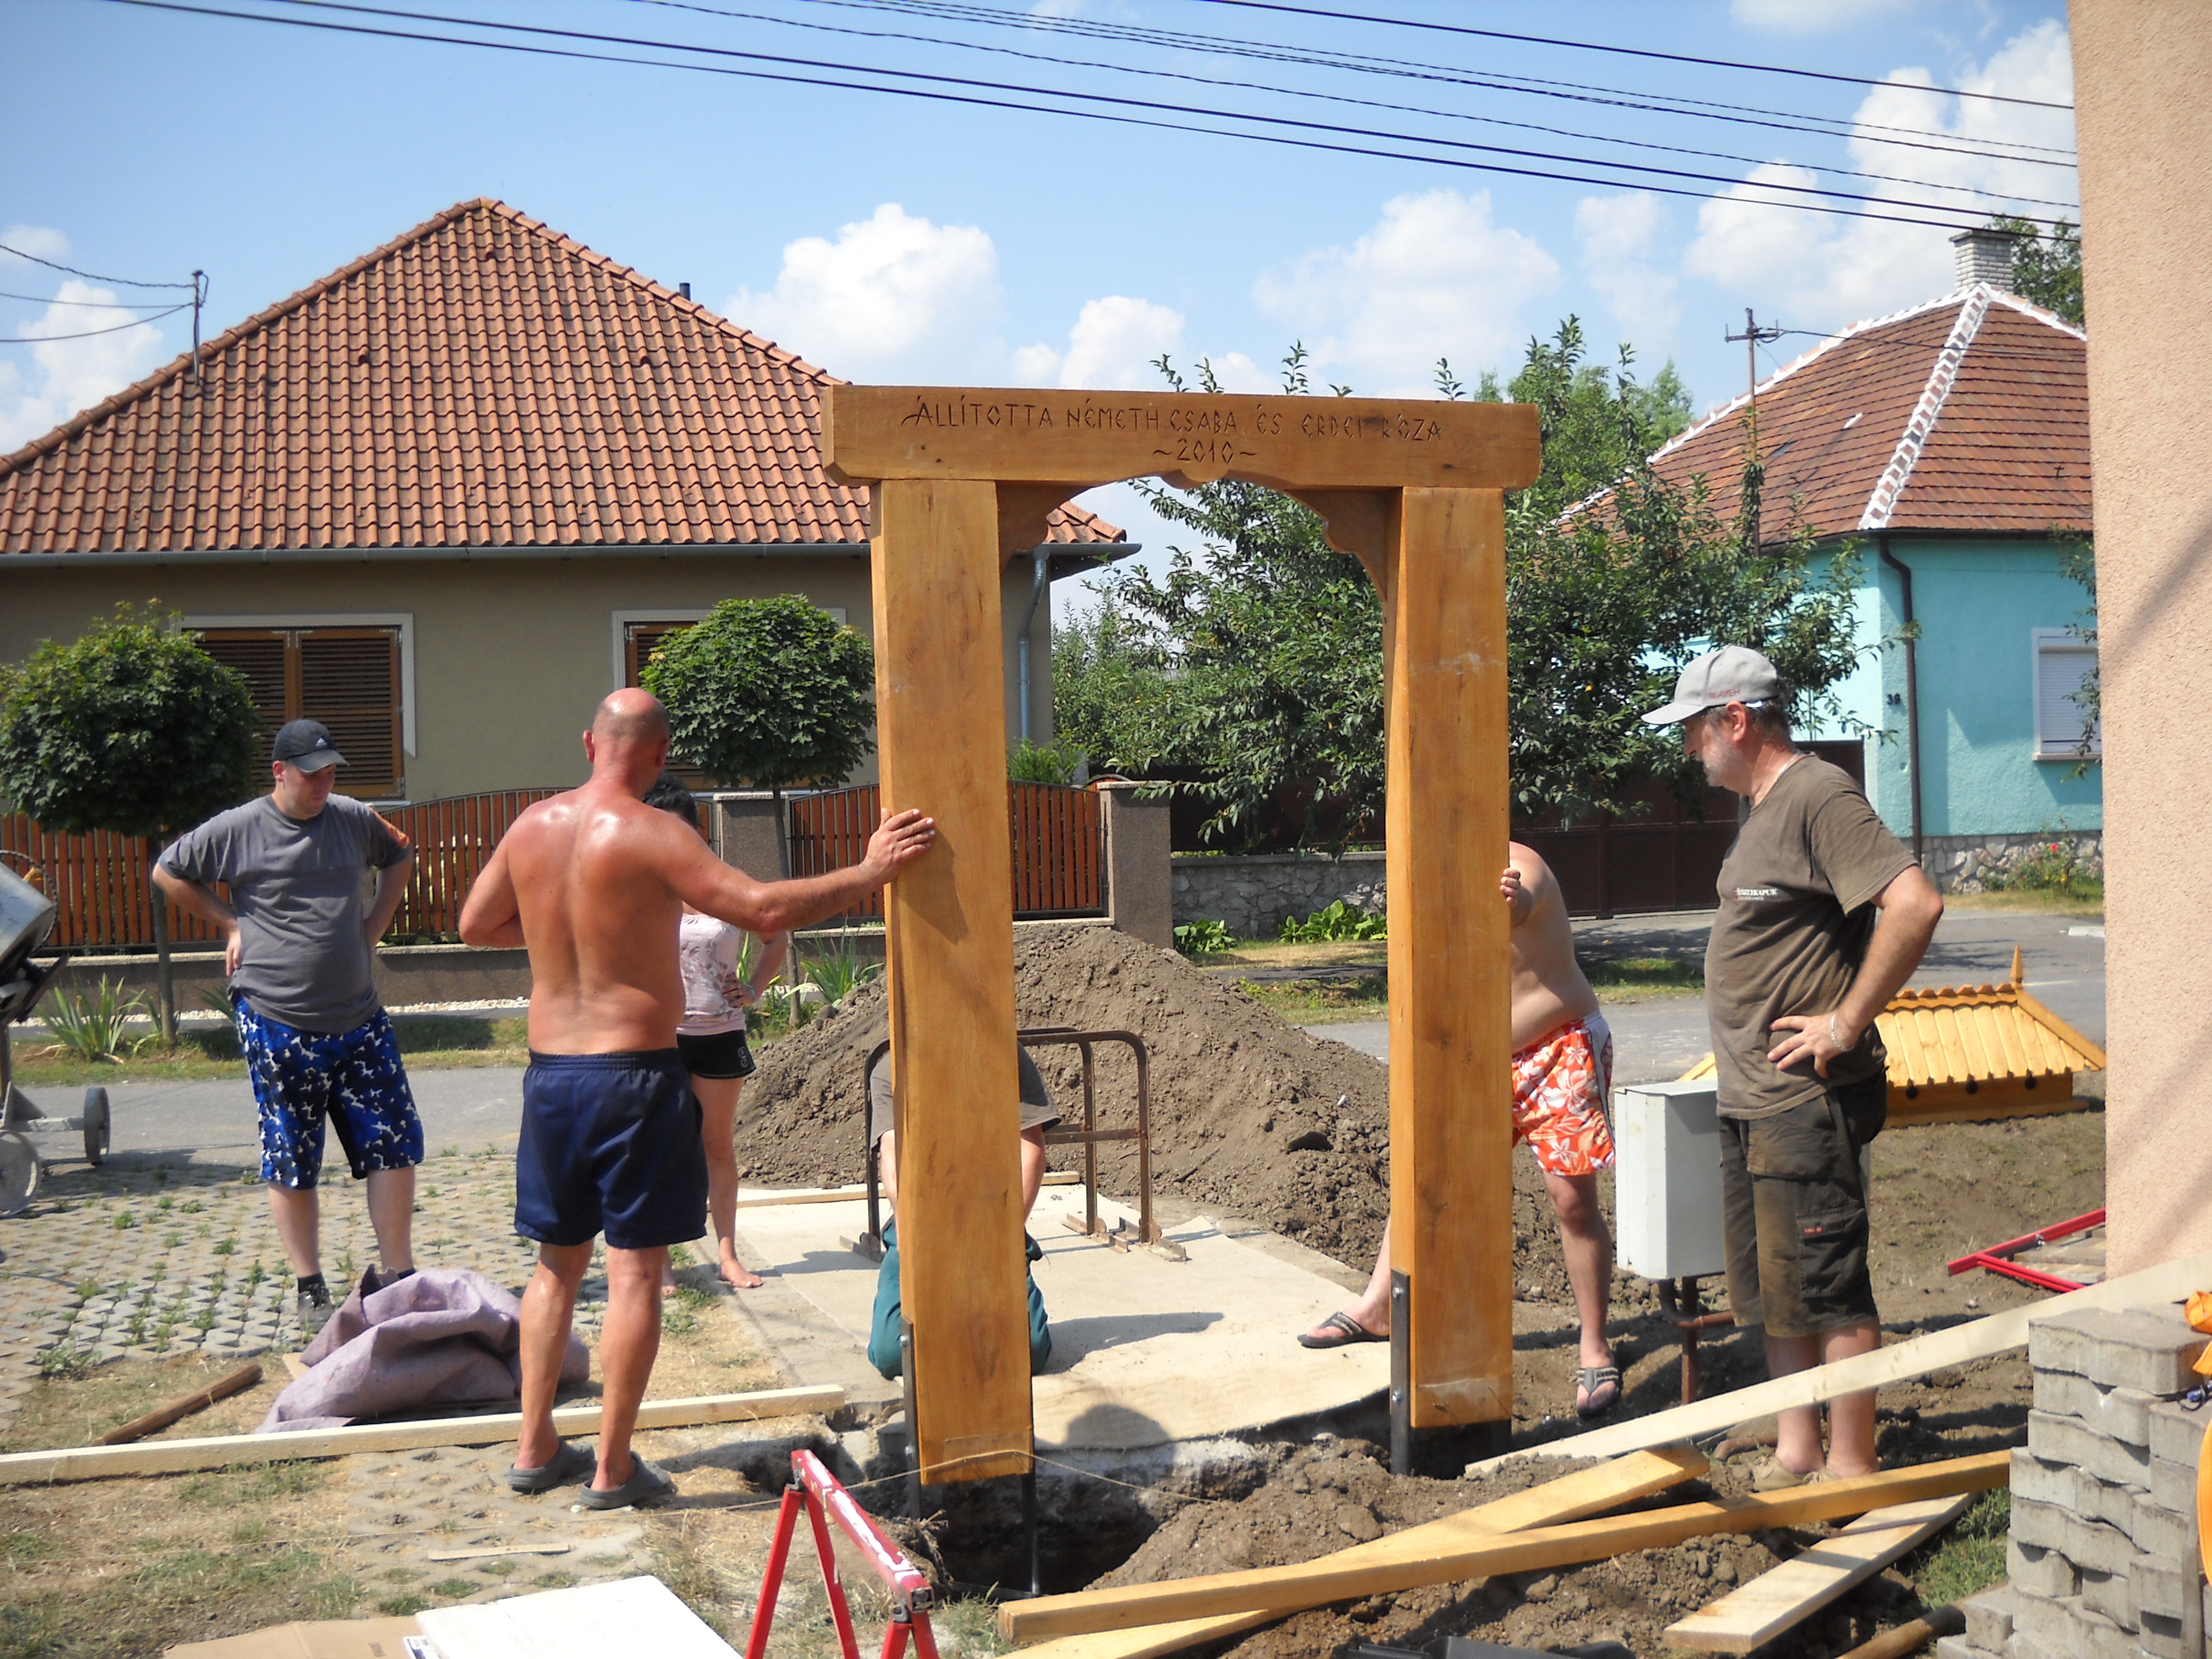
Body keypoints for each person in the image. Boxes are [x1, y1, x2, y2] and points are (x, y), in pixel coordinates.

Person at [457, 689, 932, 1509]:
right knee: (637, 1274)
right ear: (661, 752)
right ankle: (611, 1469)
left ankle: (535, 1447)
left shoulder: (532, 825)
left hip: (552, 1077)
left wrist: (572, 934)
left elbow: (473, 924)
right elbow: (764, 909)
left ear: (588, 743)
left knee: (556, 1268)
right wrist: (871, 871)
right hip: (632, 1078)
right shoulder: (654, 832)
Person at [1642, 645, 1941, 1487]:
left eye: (1696, 730)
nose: (1689, 748)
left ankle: (1851, 1468)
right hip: (1754, 1099)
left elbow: (1914, 904)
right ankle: (1798, 1449)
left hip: (1804, 1103)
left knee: (1827, 1284)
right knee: (1779, 1289)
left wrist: (1845, 1024)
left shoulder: (1819, 795)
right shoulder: (1764, 809)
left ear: (1736, 720)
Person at [1298, 843, 1626, 1421]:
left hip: (1558, 1047)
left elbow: (1520, 901)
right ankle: (1378, 1307)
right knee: (1424, 1173)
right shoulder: (1431, 865)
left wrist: (1512, 899)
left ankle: (1595, 1345)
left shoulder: (1516, 862)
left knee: (1572, 1201)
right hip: (1478, 1057)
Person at [153, 718, 423, 1333]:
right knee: (293, 1154)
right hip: (278, 1020)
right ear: (279, 772)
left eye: (330, 773)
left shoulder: (352, 818)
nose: (323, 783)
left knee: (394, 1142)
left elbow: (401, 852)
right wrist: (229, 922)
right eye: (311, 774)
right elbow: (168, 871)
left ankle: (400, 1278)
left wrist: (376, 924)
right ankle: (310, 1287)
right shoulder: (240, 828)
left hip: (359, 1016)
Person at [641, 773, 787, 1294]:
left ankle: (727, 1256)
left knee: (717, 1147)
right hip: (661, 1035)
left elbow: (776, 935)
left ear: (696, 832)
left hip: (720, 1032)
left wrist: (754, 988)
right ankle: (660, 1261)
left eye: (677, 829)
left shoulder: (725, 884)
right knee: (660, 1148)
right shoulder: (643, 888)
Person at [861, 1038, 1059, 1379]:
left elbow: (1031, 1150)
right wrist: (916, 1239)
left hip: (991, 1218)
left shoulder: (1005, 1055)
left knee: (1029, 1350)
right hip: (921, 1223)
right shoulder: (891, 1070)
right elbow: (894, 1166)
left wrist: (1004, 1235)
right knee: (894, 1354)